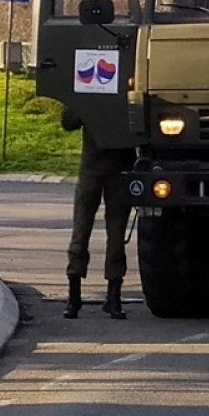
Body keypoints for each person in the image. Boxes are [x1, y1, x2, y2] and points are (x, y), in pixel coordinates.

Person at [61, 108, 136, 320]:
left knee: (113, 238)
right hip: (97, 170)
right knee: (83, 234)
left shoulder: (111, 89)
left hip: (114, 172)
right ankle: (77, 296)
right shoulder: (99, 89)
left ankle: (110, 296)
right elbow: (68, 121)